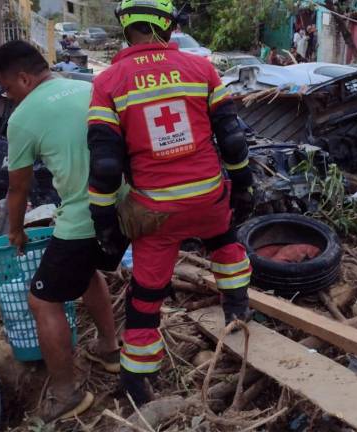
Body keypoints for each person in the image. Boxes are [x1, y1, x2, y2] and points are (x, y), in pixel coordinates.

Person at [88, 0, 254, 406]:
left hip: (155, 211)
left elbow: (107, 166)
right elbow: (232, 140)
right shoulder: (202, 69)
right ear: (168, 24)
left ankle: (136, 380)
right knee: (226, 244)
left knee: (146, 293)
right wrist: (244, 186)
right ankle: (237, 309)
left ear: (125, 26)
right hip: (208, 196)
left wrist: (104, 219)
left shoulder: (108, 82)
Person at [0, 41, 127, 422]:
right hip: (128, 210)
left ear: (24, 77)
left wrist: (15, 231)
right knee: (86, 271)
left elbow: (18, 189)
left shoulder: (23, 118)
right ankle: (110, 348)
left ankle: (65, 394)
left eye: (7, 88)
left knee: (42, 301)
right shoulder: (89, 88)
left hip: (85, 217)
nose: (7, 96)